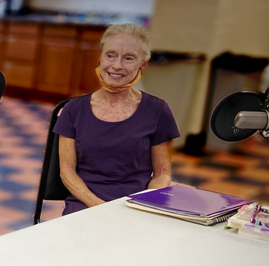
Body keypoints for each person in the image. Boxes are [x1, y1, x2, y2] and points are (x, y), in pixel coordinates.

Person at [54, 22, 181, 216]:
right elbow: (67, 172)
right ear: (100, 57)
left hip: (135, 208)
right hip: (84, 205)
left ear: (142, 64)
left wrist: (143, 206)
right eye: (110, 55)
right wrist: (101, 208)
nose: (116, 65)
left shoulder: (158, 110)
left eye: (128, 58)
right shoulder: (73, 110)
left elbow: (162, 174)